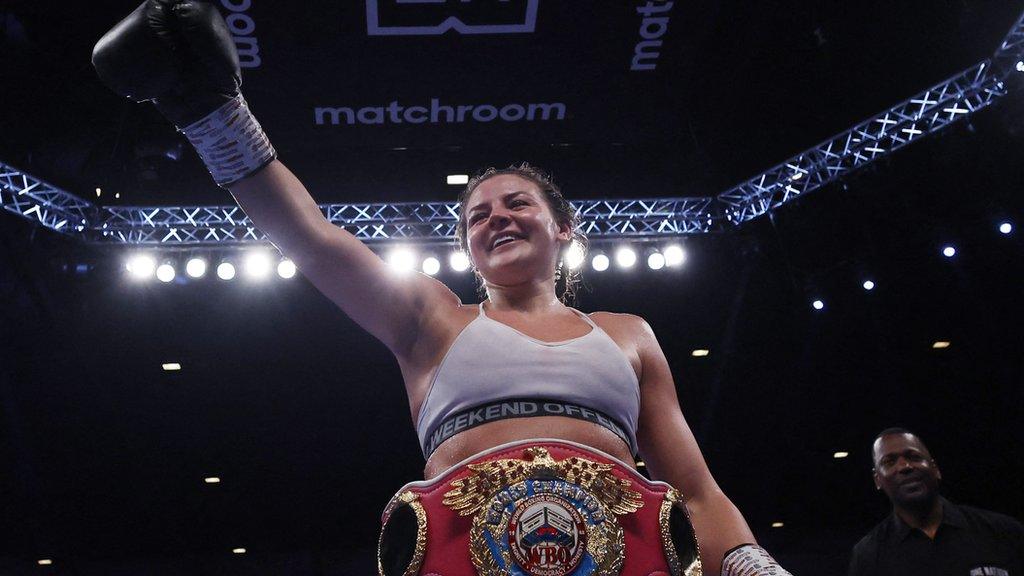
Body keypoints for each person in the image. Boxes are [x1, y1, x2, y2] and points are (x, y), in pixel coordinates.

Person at [92, 2, 793, 574]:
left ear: (563, 228)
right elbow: (309, 236)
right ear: (467, 247)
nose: (497, 218)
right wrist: (213, 114)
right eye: (478, 215)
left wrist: (752, 567)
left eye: (517, 204)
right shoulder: (432, 320)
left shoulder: (627, 334)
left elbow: (697, 492)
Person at [848, 428, 1024, 576]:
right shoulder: (868, 556)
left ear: (935, 468)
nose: (904, 466)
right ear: (877, 480)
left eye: (914, 456)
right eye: (889, 462)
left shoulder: (1004, 532)